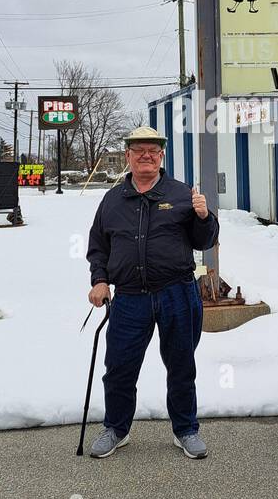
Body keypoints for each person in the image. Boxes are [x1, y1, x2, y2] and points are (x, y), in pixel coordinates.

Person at [86, 125, 218, 459]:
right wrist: (99, 280)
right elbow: (98, 247)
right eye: (139, 150)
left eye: (153, 151)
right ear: (128, 156)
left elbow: (204, 241)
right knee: (119, 367)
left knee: (181, 365)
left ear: (161, 156)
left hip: (177, 294)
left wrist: (203, 216)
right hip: (129, 298)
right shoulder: (112, 199)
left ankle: (186, 430)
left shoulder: (181, 193)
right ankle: (116, 428)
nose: (146, 156)